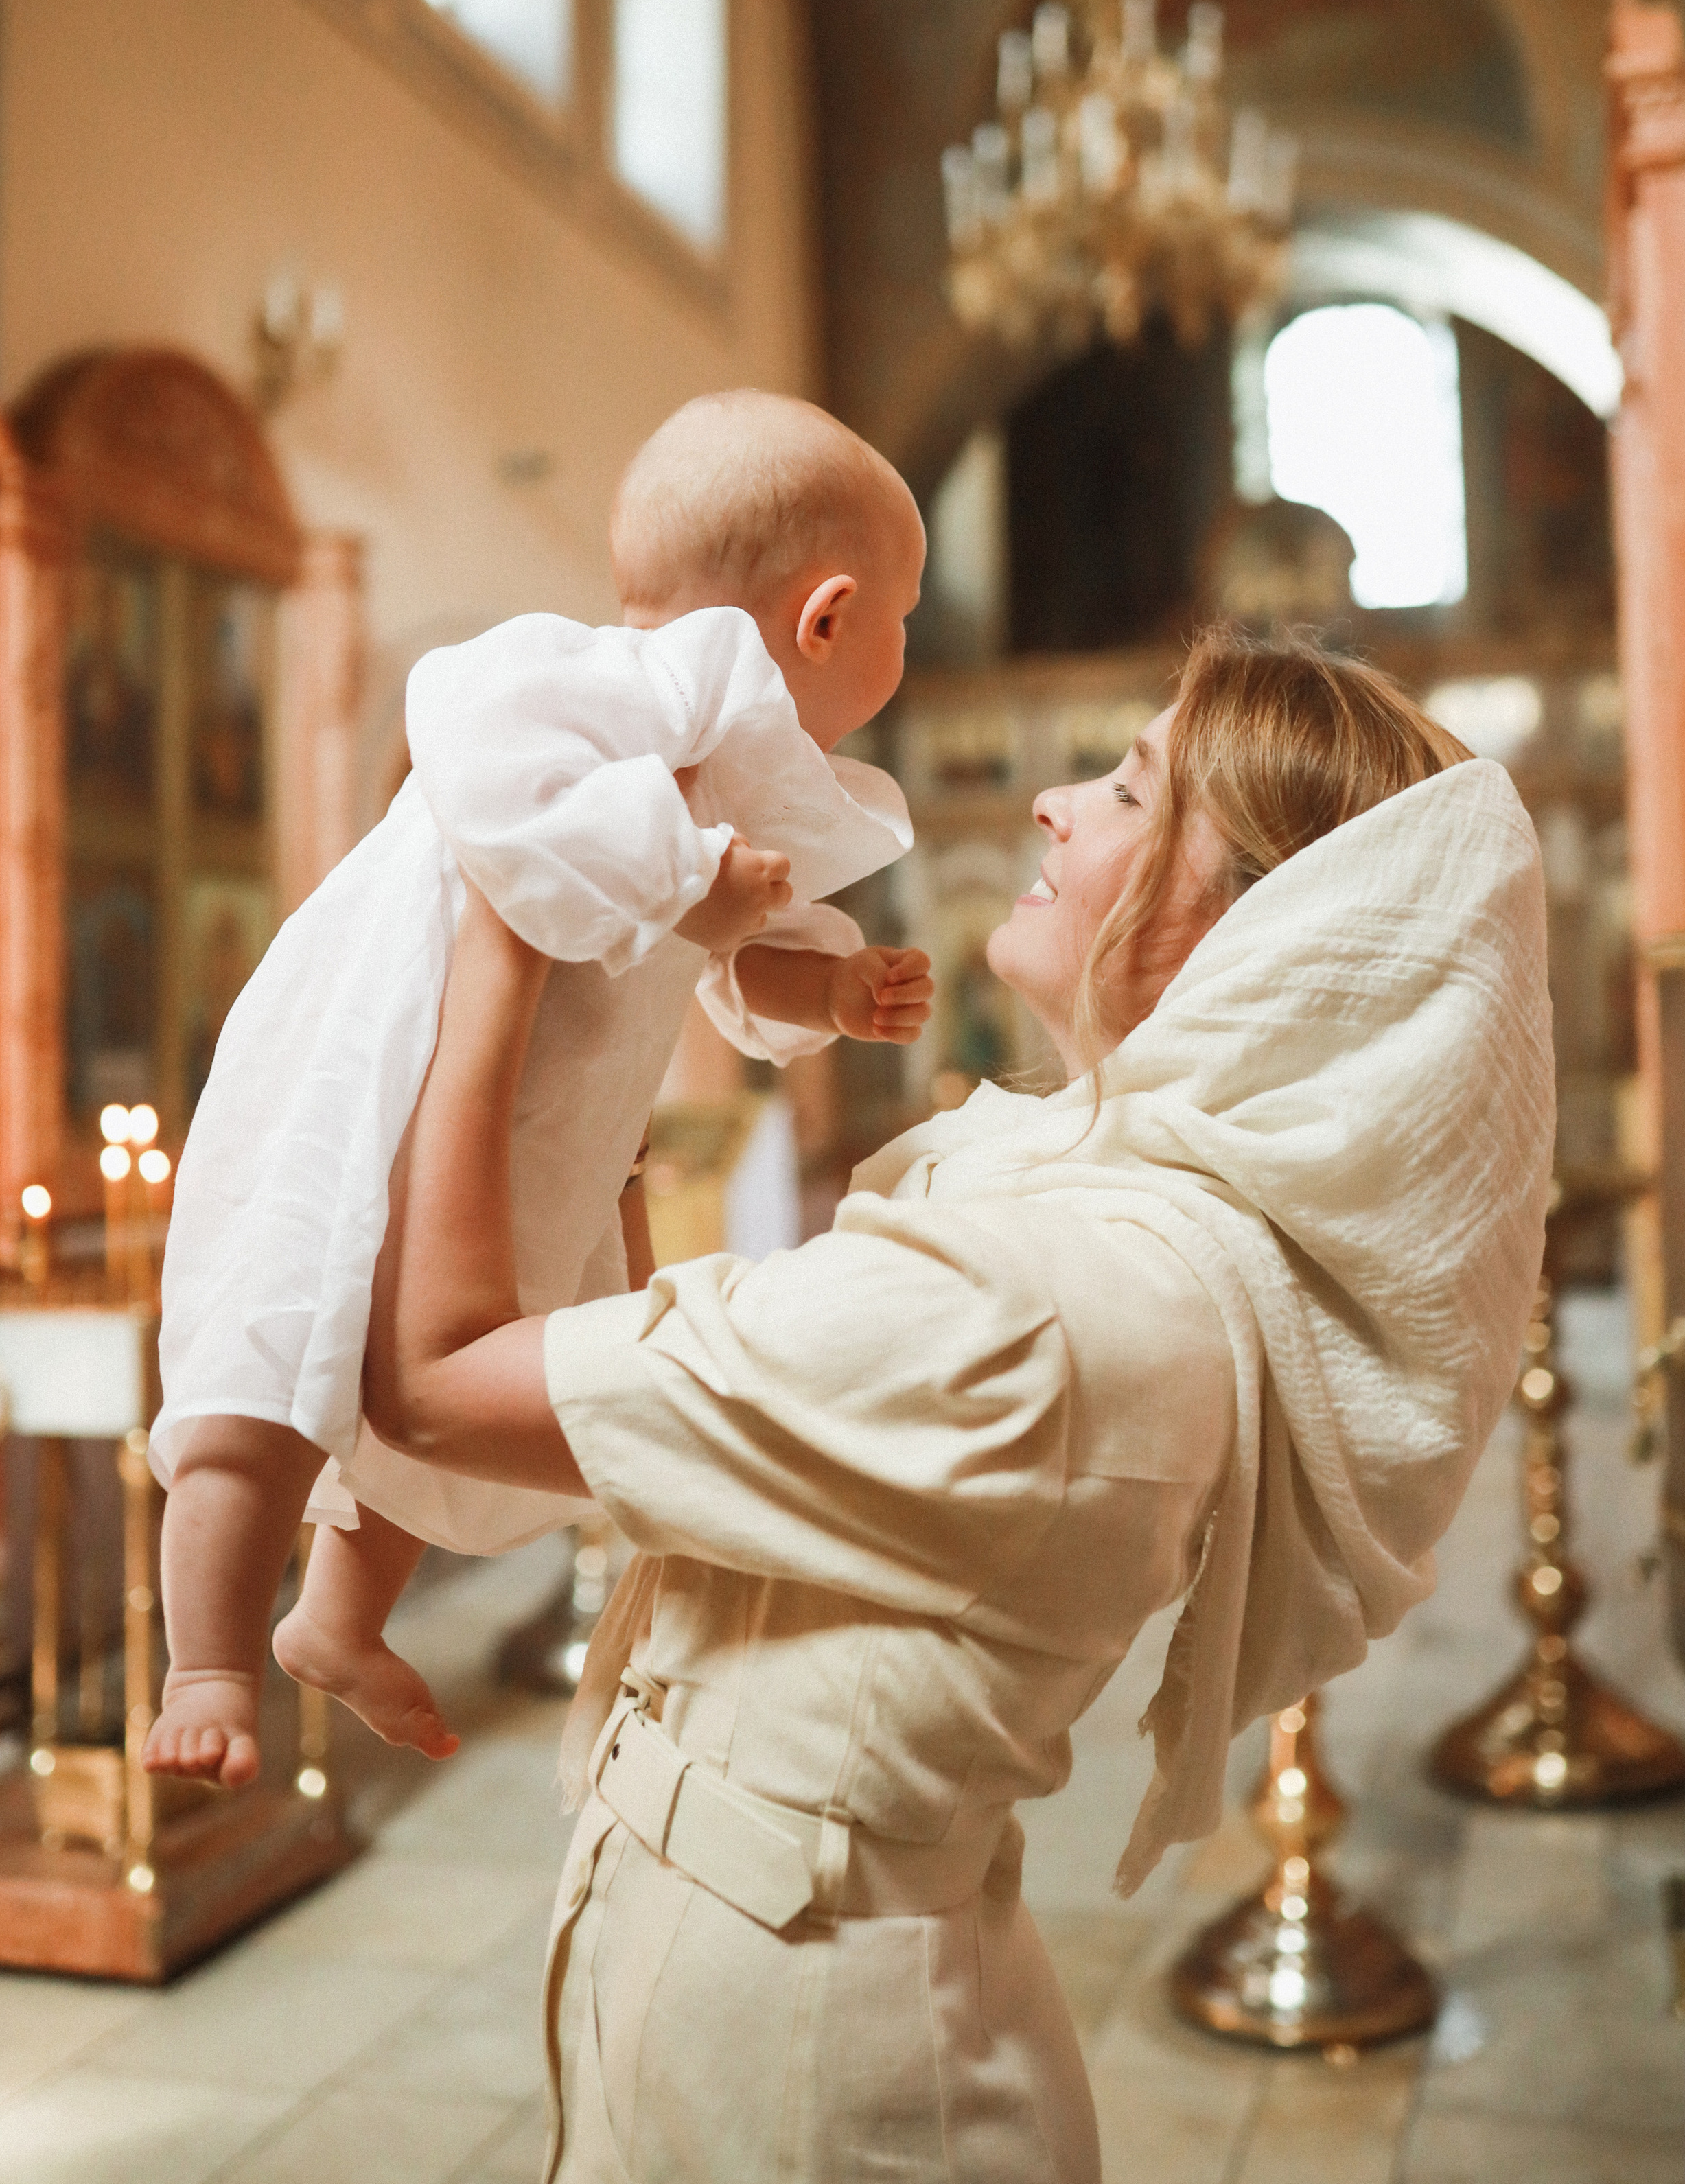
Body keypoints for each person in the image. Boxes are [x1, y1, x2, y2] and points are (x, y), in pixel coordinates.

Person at [364, 627, 1554, 2184]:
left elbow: (439, 1385)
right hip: (729, 1971)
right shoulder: (1082, 1219)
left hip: (808, 2070)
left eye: (1128, 791)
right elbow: (661, 1435)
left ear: (1267, 931)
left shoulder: (1050, 1300)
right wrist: (602, 1088)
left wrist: (503, 929)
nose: (1055, 803)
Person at [143, 392, 935, 1789]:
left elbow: (726, 950)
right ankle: (205, 1663)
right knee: (273, 1367)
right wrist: (685, 877)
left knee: (461, 1405)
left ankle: (335, 1621)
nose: (905, 646)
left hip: (538, 1139)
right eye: (904, 618)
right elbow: (480, 749)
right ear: (827, 617)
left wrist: (827, 989)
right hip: (390, 1081)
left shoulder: (728, 770)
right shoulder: (596, 683)